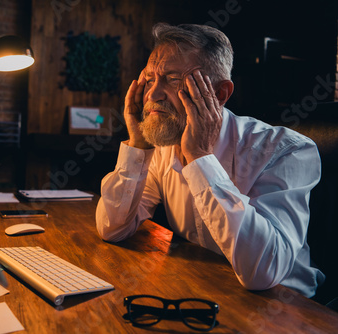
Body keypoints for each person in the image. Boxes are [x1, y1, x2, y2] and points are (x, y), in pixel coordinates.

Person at [96, 23, 325, 298]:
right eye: (148, 79)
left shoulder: (287, 150)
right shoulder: (164, 146)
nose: (153, 94)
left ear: (219, 94)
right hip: (208, 289)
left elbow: (264, 272)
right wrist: (138, 145)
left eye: (171, 79)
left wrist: (200, 157)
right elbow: (113, 228)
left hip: (289, 307)